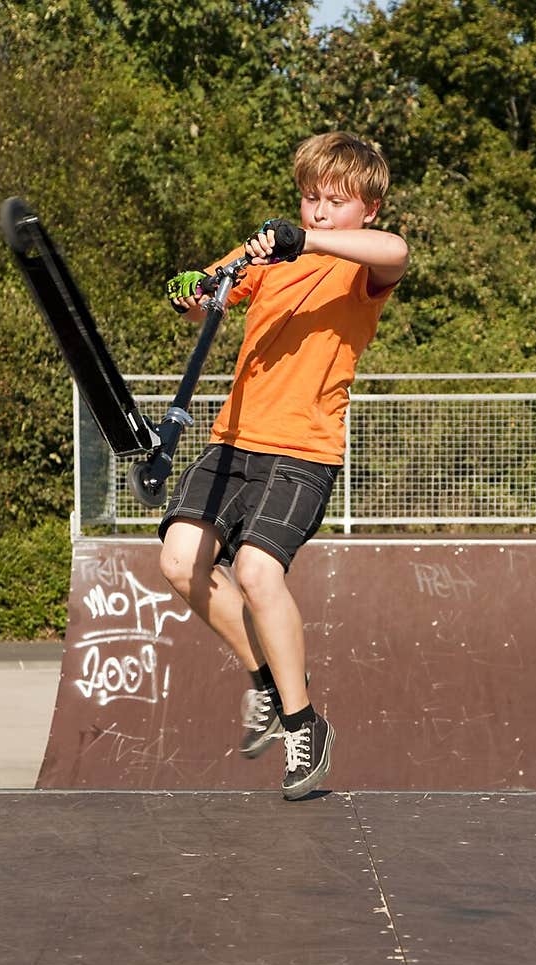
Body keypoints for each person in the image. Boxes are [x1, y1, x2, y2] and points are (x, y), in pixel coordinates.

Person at [158, 131, 409, 800]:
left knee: (256, 569)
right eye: (309, 199)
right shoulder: (267, 254)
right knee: (181, 561)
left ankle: (304, 726)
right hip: (232, 440)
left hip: (303, 448)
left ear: (369, 208)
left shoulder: (360, 266)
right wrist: (191, 293)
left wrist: (310, 241)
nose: (319, 213)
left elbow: (398, 254)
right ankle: (265, 682)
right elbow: (210, 294)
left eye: (335, 201)